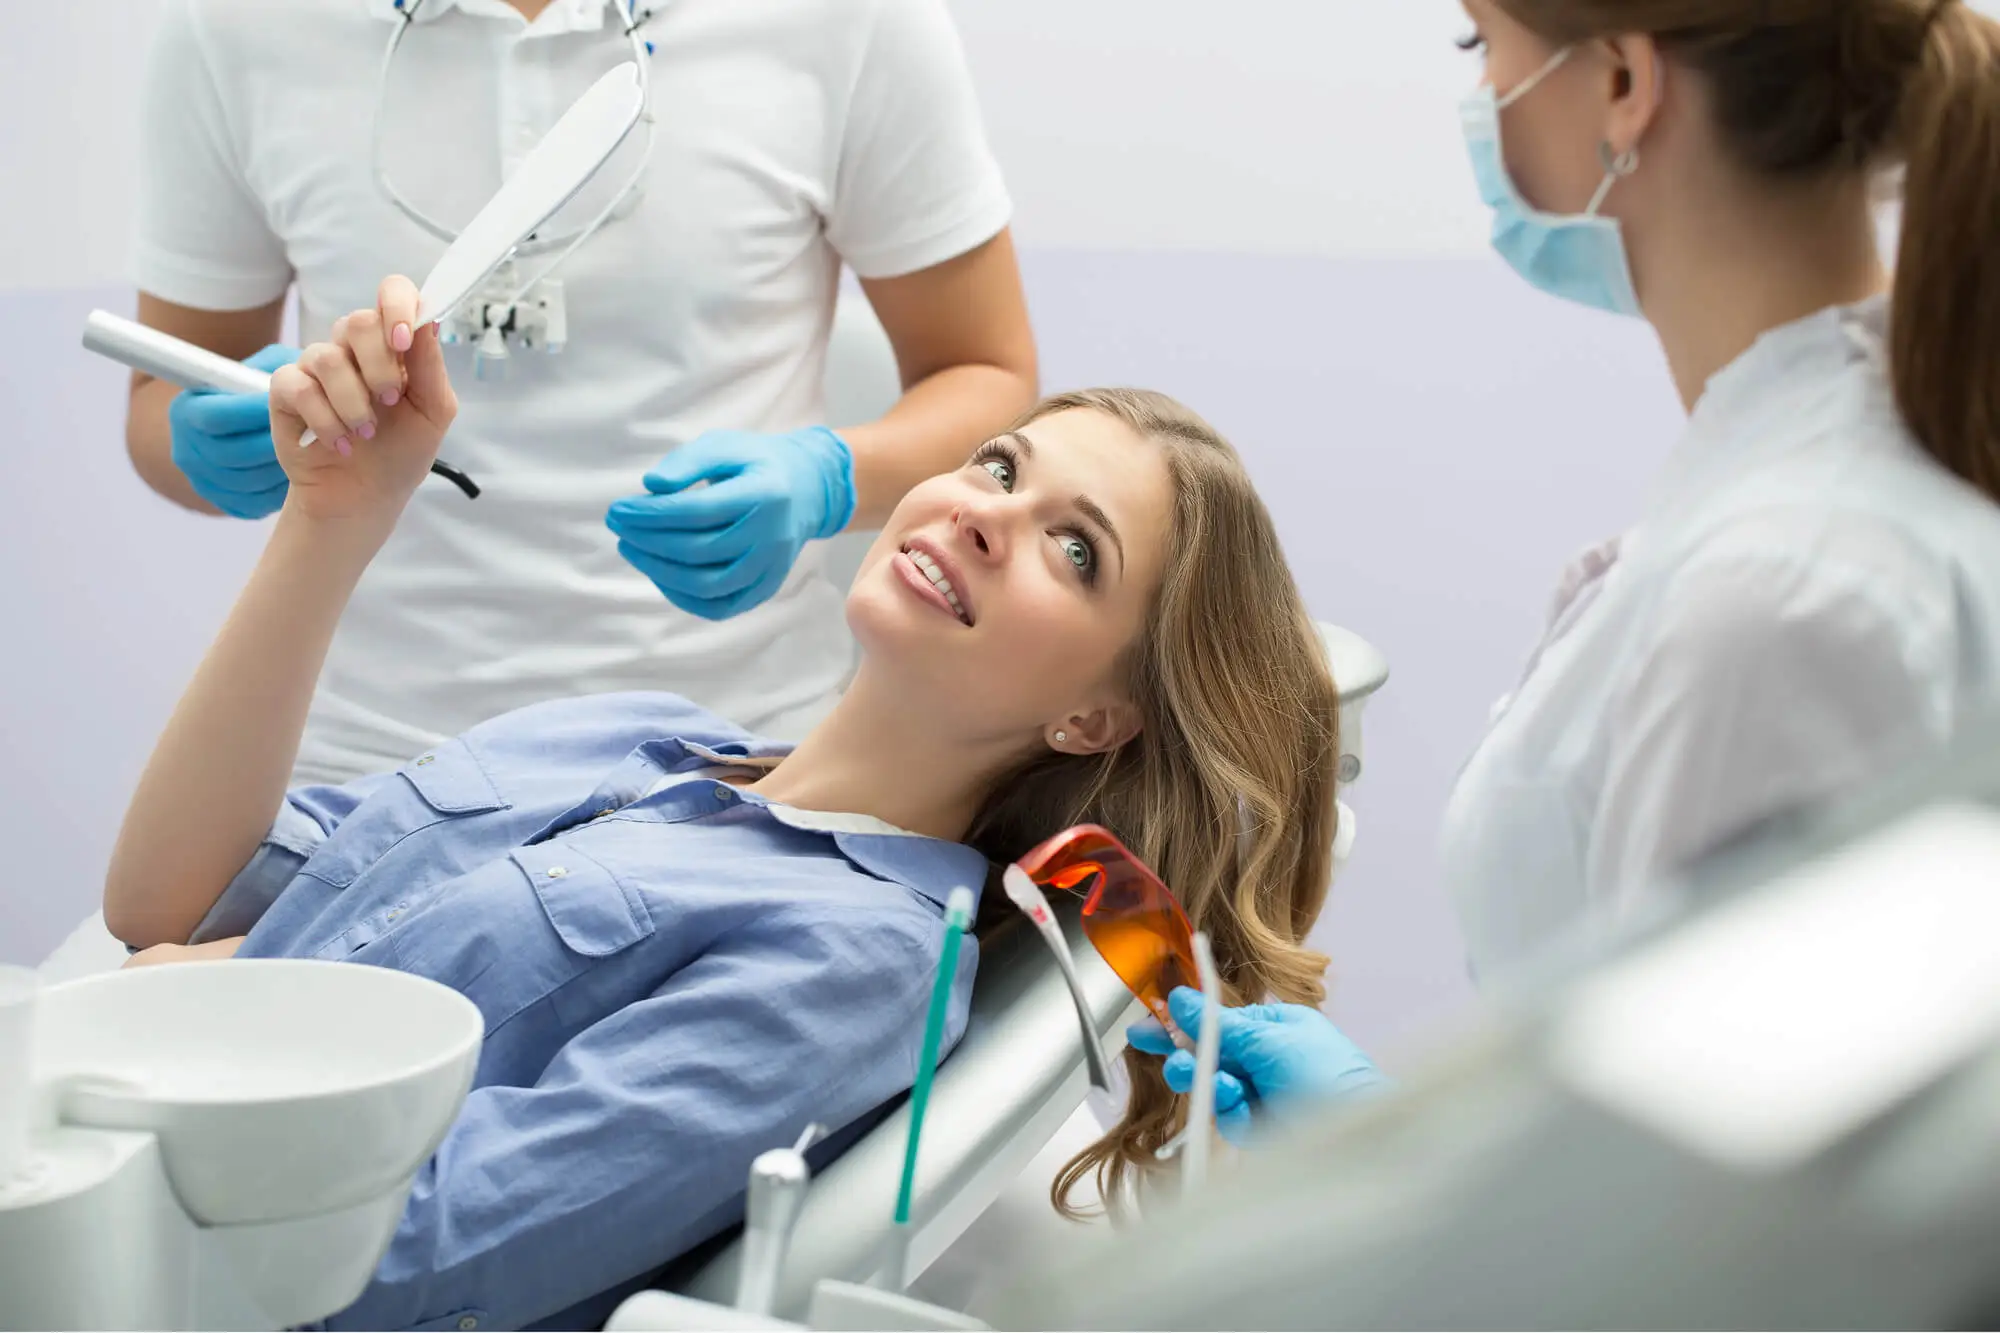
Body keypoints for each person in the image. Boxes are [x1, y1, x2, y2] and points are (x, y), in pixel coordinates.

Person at [102, 280, 1341, 1326]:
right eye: (998, 465)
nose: (981, 517)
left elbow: (391, 1273)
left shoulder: (859, 958)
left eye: (1075, 549)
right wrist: (331, 522)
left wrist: (167, 1066)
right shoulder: (627, 734)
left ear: (1091, 718)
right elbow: (170, 895)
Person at [1150, 0, 2000, 1137]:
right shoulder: (1803, 497)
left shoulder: (1785, 598)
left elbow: (1727, 1244)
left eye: (1479, 46)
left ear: (1619, 85)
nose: (1477, 98)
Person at [128, 0, 1038, 784]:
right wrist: (206, 437)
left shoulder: (846, 20)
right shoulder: (236, 27)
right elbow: (157, 399)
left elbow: (991, 374)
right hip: (355, 768)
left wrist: (828, 475)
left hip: (738, 763)